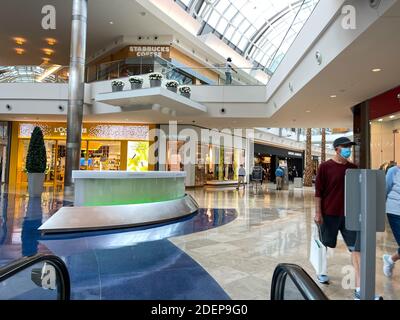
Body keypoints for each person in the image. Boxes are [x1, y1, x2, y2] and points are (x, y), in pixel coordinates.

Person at [315, 136, 382, 300]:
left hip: (350, 216)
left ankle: (360, 289)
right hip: (329, 214)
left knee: (356, 250)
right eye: (345, 147)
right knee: (325, 244)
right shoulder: (325, 167)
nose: (348, 150)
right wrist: (318, 213)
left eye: (349, 147)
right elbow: (318, 193)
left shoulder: (353, 168)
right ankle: (322, 271)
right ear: (336, 149)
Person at [382, 164, 400, 277]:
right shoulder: (393, 171)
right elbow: (384, 190)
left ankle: (390, 259)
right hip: (395, 212)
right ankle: (390, 260)